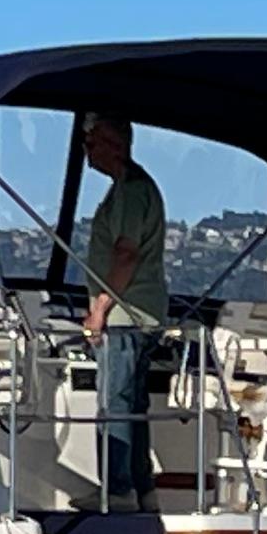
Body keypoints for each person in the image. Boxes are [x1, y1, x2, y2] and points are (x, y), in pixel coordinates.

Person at [76, 113, 167, 508]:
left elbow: (126, 254)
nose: (86, 150)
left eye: (91, 142)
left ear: (113, 145)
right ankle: (143, 489)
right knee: (133, 405)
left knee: (114, 404)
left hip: (124, 318)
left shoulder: (131, 192)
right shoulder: (134, 188)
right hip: (142, 315)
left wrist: (99, 309)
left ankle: (117, 490)